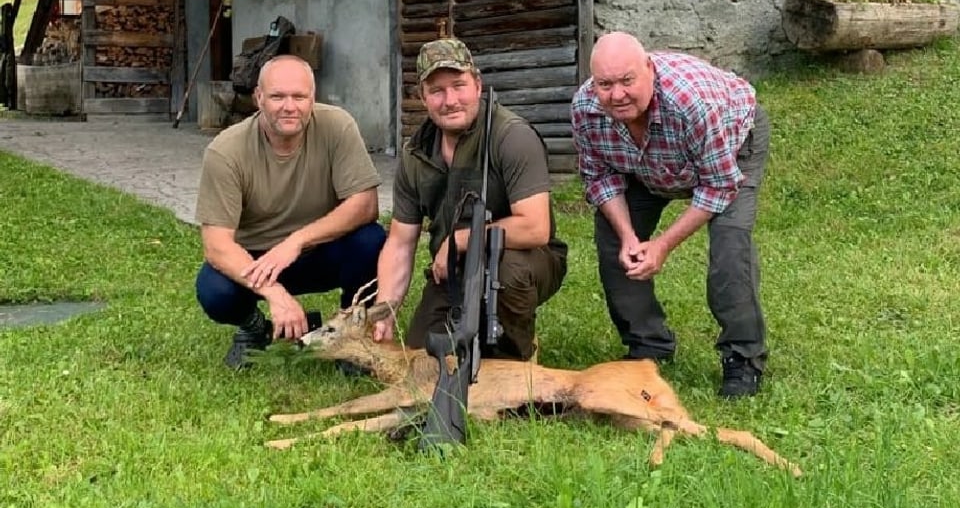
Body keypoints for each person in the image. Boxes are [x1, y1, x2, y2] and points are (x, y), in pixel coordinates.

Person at [571, 31, 770, 398]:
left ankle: (743, 357)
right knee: (616, 243)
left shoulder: (690, 103)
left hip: (731, 149)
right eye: (605, 84)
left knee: (730, 246)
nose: (617, 95)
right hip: (646, 164)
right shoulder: (586, 108)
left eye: (628, 81)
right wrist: (631, 237)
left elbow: (718, 186)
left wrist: (662, 245)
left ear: (649, 69)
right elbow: (600, 177)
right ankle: (648, 345)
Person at [373, 38, 567, 360]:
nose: (450, 100)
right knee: (425, 360)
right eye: (436, 90)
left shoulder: (512, 136)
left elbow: (535, 229)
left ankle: (518, 353)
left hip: (523, 259)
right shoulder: (415, 154)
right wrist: (385, 309)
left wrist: (460, 239)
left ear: (477, 85)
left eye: (459, 86)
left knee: (506, 273)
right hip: (454, 270)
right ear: (422, 97)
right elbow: (400, 242)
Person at [195, 54, 386, 369]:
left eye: (299, 96)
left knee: (372, 241)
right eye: (277, 96)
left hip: (319, 250)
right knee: (213, 289)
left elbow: (365, 204)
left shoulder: (338, 126)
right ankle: (256, 329)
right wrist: (275, 294)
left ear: (313, 98)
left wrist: (296, 241)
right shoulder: (226, 151)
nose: (289, 106)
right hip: (259, 261)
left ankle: (351, 334)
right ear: (259, 98)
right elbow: (217, 245)